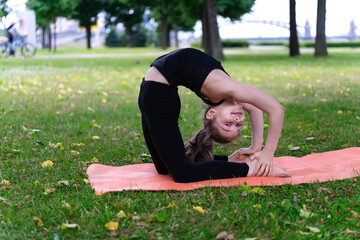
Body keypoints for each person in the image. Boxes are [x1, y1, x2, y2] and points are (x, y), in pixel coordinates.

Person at [138, 48, 289, 183]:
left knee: (167, 168)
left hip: (154, 89)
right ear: (211, 113)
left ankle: (233, 162)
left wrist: (255, 148)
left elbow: (255, 108)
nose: (237, 120)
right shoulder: (228, 89)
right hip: (156, 91)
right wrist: (267, 153)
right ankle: (251, 169)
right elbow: (277, 110)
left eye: (231, 124)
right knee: (181, 173)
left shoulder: (229, 96)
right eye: (233, 125)